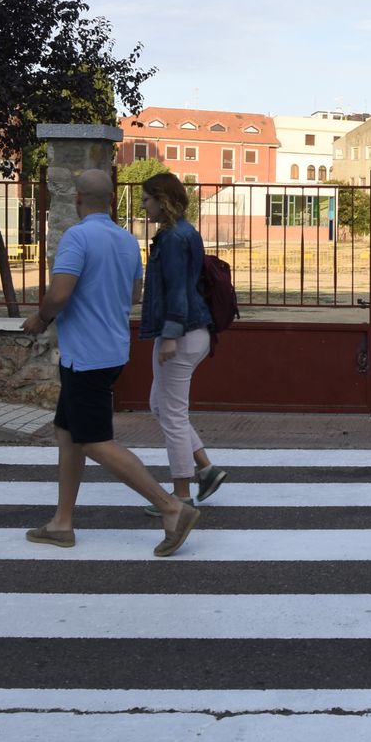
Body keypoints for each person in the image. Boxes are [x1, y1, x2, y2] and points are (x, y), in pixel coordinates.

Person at [21, 168, 200, 557]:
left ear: (77, 199)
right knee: (67, 432)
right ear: (112, 199)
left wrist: (41, 318)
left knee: (95, 442)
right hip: (112, 350)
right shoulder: (127, 241)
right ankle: (61, 523)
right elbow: (135, 293)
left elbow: (60, 294)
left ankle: (172, 508)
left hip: (84, 355)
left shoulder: (77, 237)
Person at [138, 171, 227, 513]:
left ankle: (181, 496)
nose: (144, 206)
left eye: (147, 200)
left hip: (182, 333)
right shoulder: (184, 232)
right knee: (160, 406)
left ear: (162, 200)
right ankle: (205, 469)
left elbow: (177, 287)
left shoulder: (174, 238)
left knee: (172, 415)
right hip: (190, 330)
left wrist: (170, 335)